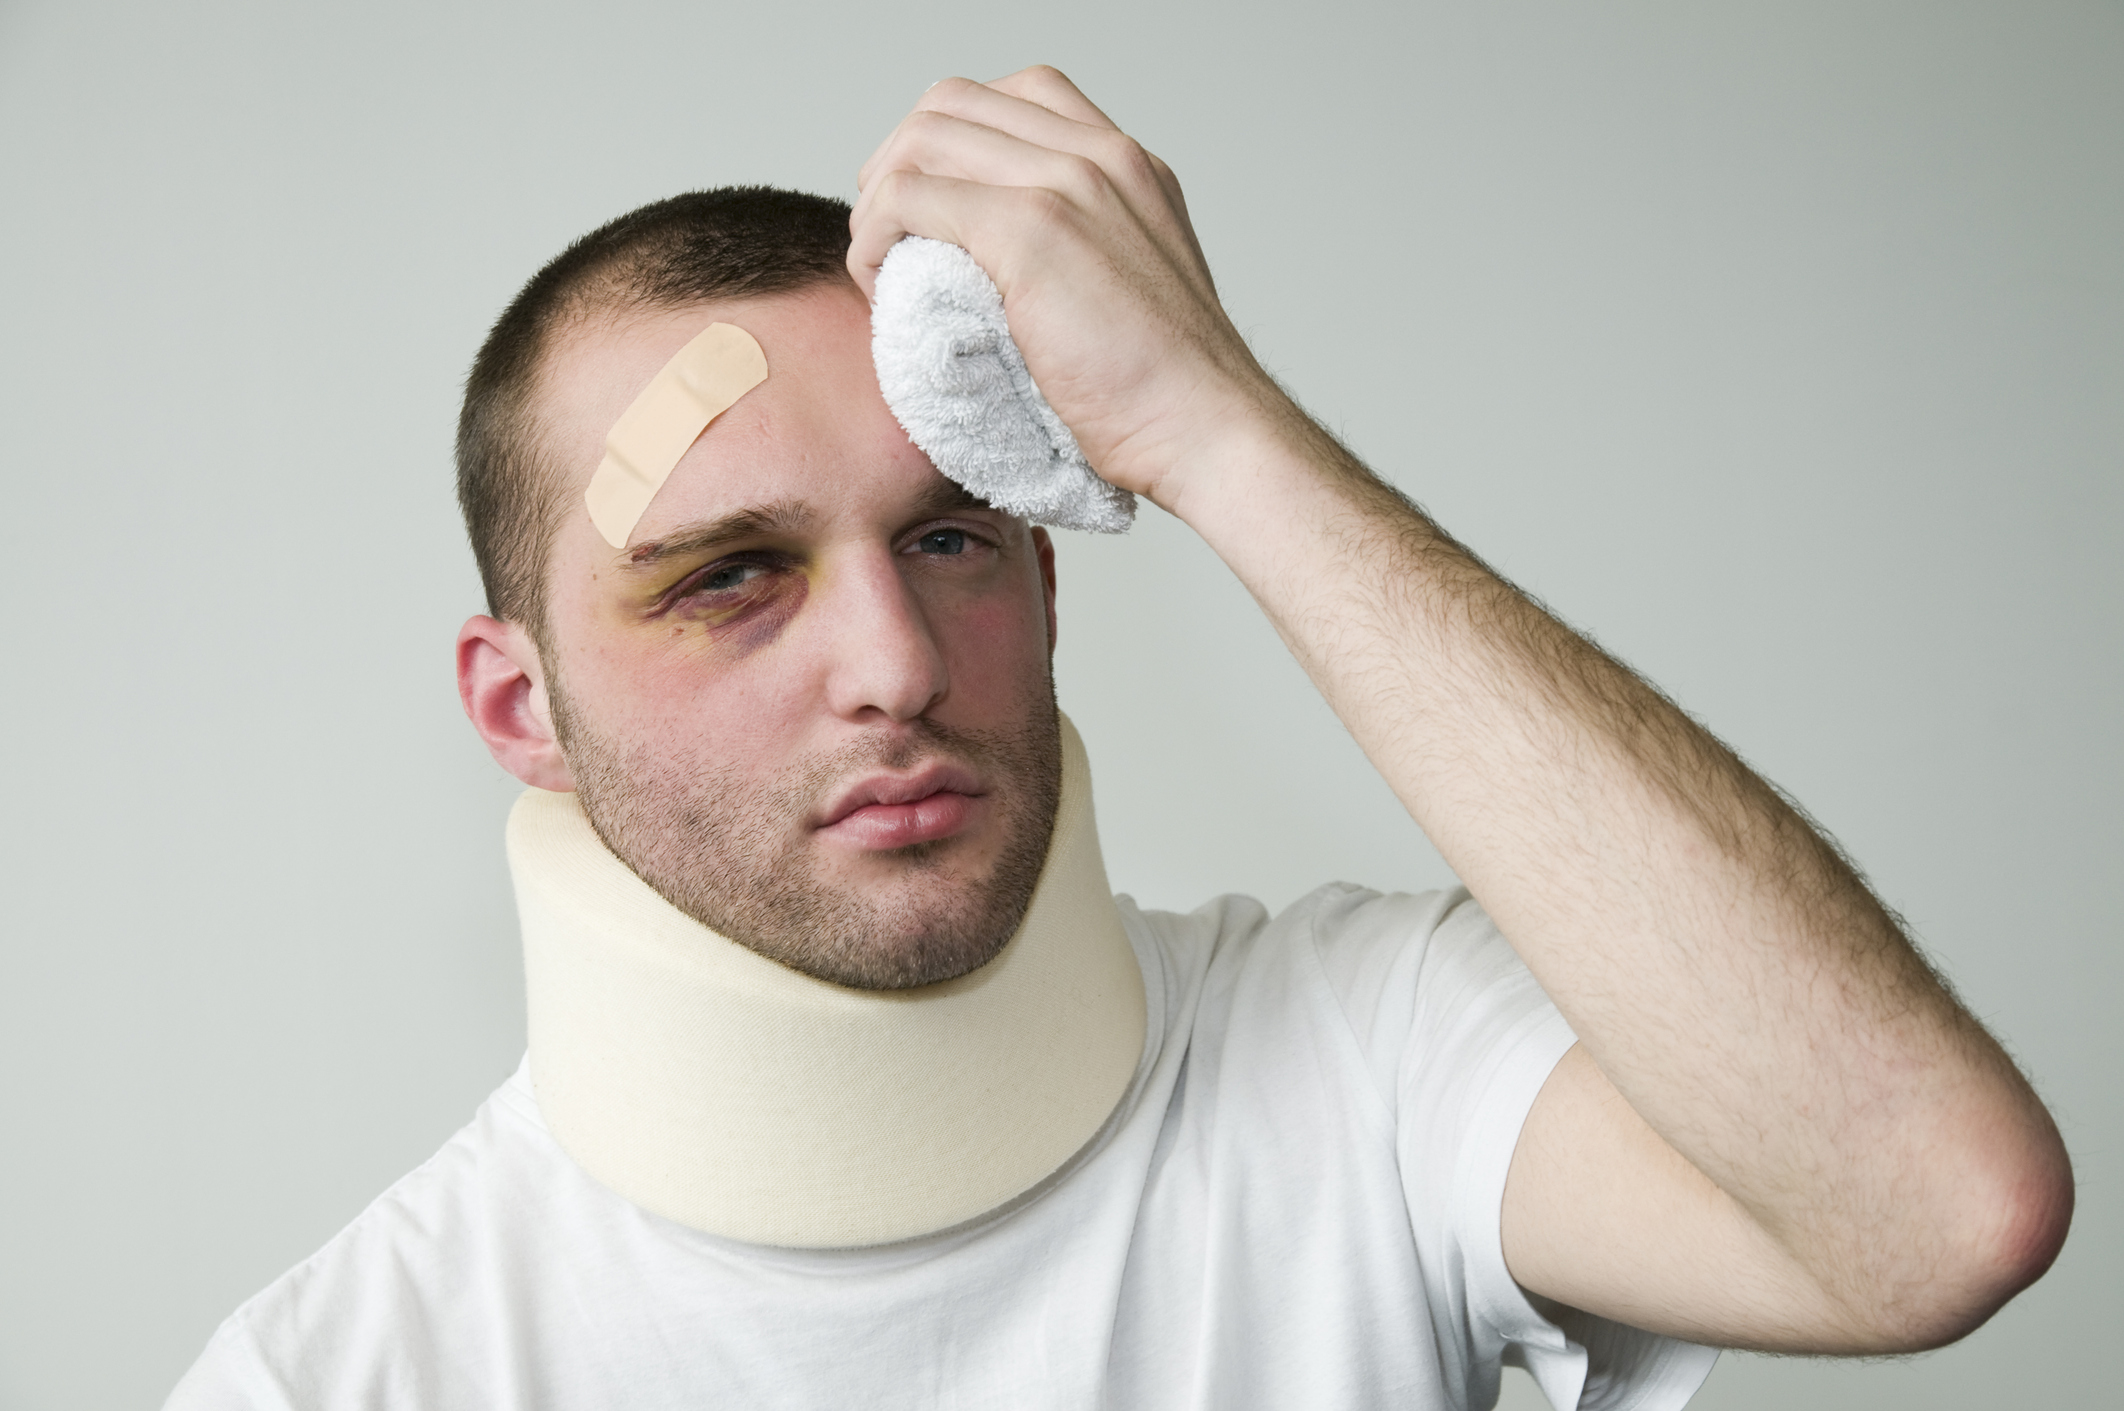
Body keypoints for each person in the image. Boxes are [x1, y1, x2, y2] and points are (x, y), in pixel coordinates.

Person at [166, 67, 2072, 1410]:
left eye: (949, 537)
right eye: (732, 575)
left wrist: (1219, 429)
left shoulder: (1365, 1059)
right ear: (525, 713)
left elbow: (1939, 1219)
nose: (896, 661)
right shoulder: (342, 1377)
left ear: (1053, 591)